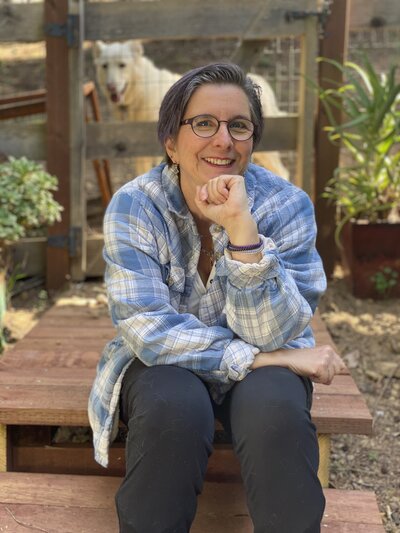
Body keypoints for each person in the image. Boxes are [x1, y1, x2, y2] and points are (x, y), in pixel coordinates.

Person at [88, 62, 345, 533]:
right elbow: (148, 331)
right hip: (164, 365)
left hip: (265, 355)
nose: (223, 140)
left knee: (276, 409)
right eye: (203, 123)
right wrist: (264, 359)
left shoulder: (286, 207)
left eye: (239, 126)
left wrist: (242, 231)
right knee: (173, 406)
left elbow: (273, 333)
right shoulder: (135, 205)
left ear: (252, 141)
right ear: (171, 142)